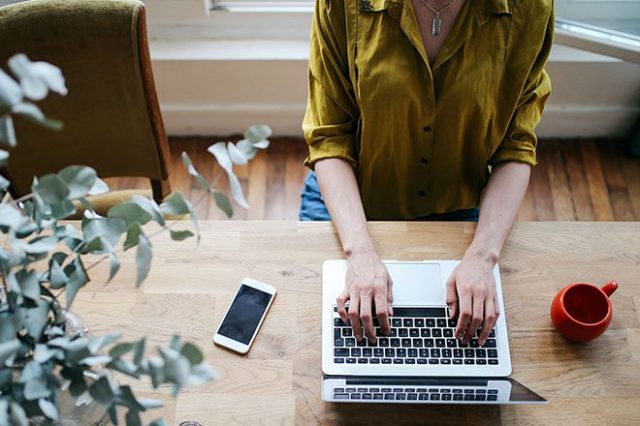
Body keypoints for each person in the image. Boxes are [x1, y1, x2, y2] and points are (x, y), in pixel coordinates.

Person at [300, 0, 553, 347]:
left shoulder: (531, 9)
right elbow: (330, 137)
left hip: (457, 209)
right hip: (350, 201)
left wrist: (483, 257)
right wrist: (359, 253)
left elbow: (517, 144)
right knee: (315, 342)